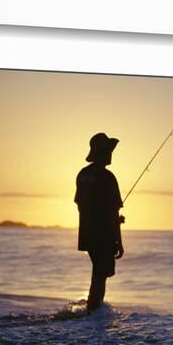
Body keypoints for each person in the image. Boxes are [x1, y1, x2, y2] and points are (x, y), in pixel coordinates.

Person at [74, 132, 124, 313]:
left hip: (87, 234)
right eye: (108, 151)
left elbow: (81, 205)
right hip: (104, 234)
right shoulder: (108, 177)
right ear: (103, 153)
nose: (111, 155)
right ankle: (93, 312)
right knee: (100, 275)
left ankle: (93, 311)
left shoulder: (83, 175)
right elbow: (113, 211)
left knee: (98, 272)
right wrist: (119, 240)